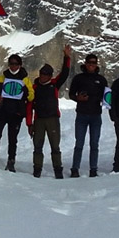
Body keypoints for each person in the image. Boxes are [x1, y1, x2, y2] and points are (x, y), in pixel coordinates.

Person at [27, 45, 71, 178]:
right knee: (37, 146)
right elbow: (29, 106)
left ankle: (58, 170)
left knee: (55, 147)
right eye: (42, 74)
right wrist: (29, 124)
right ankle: (37, 170)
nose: (43, 76)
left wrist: (67, 57)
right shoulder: (34, 88)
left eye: (46, 74)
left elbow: (65, 73)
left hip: (53, 119)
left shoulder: (54, 84)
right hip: (39, 120)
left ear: (50, 76)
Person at [0, 54, 35, 172]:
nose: (13, 66)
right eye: (11, 64)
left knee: (13, 139)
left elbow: (31, 96)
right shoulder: (2, 78)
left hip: (16, 113)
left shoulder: (25, 80)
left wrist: (26, 93)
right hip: (1, 111)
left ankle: (11, 161)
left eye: (16, 64)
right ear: (8, 65)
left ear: (20, 65)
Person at [68, 54, 108, 177]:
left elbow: (107, 96)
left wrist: (105, 100)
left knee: (94, 144)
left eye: (94, 62)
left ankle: (93, 169)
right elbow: (71, 94)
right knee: (79, 143)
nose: (91, 64)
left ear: (96, 64)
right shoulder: (78, 78)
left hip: (96, 115)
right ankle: (75, 169)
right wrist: (78, 98)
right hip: (81, 114)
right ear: (85, 63)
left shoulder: (101, 80)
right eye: (89, 62)